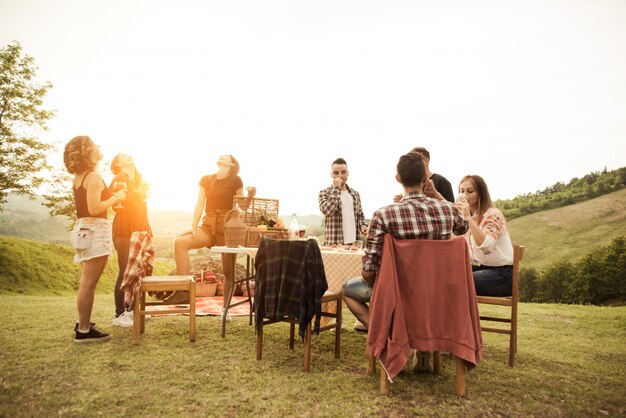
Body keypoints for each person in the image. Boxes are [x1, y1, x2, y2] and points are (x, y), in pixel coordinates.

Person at [342, 152, 468, 331]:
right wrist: (437, 195)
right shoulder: (448, 210)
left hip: (397, 292)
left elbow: (369, 271)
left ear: (398, 178)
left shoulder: (383, 215)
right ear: (426, 177)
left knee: (347, 290)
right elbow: (463, 228)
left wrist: (375, 281)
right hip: (437, 291)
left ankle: (386, 334)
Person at [174, 154, 255, 320]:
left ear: (232, 164)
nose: (221, 157)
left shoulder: (236, 180)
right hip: (209, 224)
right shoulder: (206, 179)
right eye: (221, 155)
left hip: (228, 227)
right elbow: (199, 204)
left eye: (226, 156)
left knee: (228, 271)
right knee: (180, 242)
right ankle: (183, 291)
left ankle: (226, 310)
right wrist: (194, 226)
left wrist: (251, 195)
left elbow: (243, 206)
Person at [64, 135, 127, 343]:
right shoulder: (92, 176)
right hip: (94, 230)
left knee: (86, 282)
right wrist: (117, 197)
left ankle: (83, 322)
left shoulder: (80, 176)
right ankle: (83, 330)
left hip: (83, 227)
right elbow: (95, 208)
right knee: (88, 284)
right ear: (88, 152)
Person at [108, 153, 152, 327]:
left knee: (138, 271)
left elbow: (143, 206)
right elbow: (116, 204)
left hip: (140, 228)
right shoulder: (118, 178)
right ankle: (120, 314)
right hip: (124, 229)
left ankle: (134, 310)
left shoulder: (140, 179)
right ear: (118, 163)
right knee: (125, 270)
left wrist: (147, 229)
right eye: (123, 156)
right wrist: (136, 194)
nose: (129, 156)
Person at [454, 175, 514, 296]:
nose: (464, 195)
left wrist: (467, 218)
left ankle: (464, 315)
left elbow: (486, 247)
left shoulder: (492, 214)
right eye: (462, 191)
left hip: (503, 275)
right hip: (484, 269)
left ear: (480, 193)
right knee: (447, 274)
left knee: (457, 281)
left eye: (470, 191)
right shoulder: (471, 216)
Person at [318, 158, 368, 246]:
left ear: (348, 173)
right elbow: (327, 211)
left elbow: (360, 215)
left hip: (354, 243)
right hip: (334, 243)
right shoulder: (324, 192)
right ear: (331, 175)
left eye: (343, 172)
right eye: (336, 173)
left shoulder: (355, 194)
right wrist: (336, 188)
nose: (340, 175)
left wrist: (363, 225)